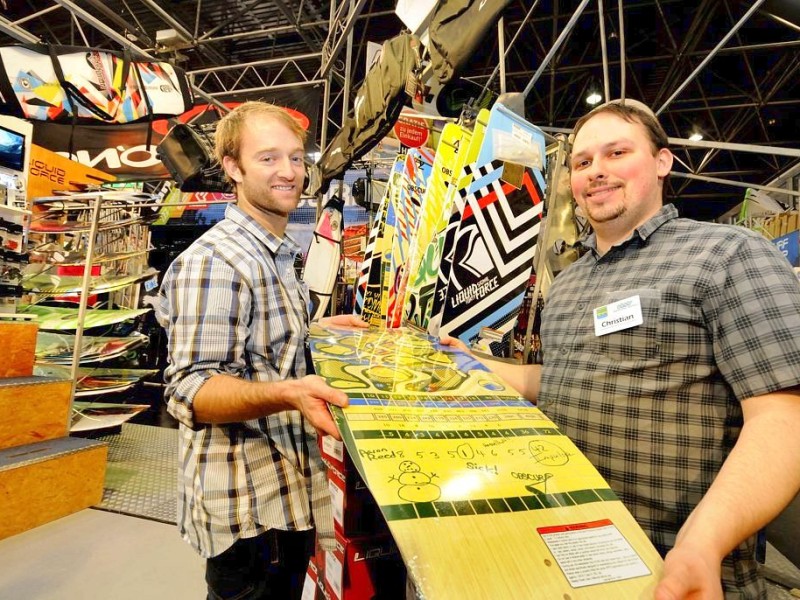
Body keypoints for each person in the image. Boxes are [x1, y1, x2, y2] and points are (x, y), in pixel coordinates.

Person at [444, 99, 800, 599]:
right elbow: (559, 381)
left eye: (616, 152)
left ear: (662, 162)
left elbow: (783, 420)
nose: (597, 172)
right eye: (583, 162)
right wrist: (463, 360)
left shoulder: (727, 254)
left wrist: (703, 543)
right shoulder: (566, 285)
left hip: (677, 572)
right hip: (566, 553)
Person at [157, 101, 366, 600]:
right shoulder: (216, 261)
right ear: (233, 167)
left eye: (296, 158)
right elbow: (192, 391)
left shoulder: (273, 252)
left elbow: (260, 346)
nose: (289, 172)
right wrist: (292, 393)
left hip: (284, 497)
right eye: (269, 158)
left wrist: (316, 330)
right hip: (251, 516)